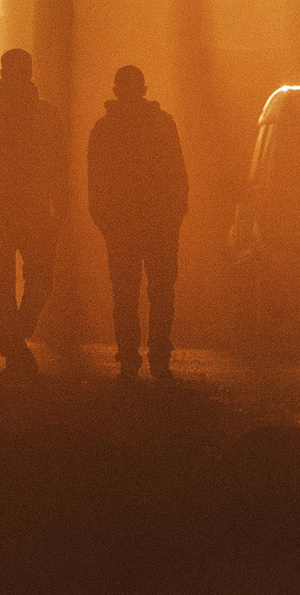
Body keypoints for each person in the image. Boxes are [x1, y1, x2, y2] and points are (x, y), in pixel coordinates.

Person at [0, 47, 66, 374]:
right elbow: (58, 165)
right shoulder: (45, 114)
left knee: (4, 284)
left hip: (4, 208)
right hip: (30, 208)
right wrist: (60, 206)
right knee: (38, 279)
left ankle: (13, 341)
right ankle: (16, 338)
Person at [88, 63, 189, 380]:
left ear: (115, 91)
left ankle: (130, 355)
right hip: (157, 224)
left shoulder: (104, 130)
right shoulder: (163, 124)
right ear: (144, 89)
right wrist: (174, 216)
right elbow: (178, 177)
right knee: (160, 291)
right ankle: (158, 354)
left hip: (123, 226)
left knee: (125, 293)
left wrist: (105, 222)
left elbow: (96, 184)